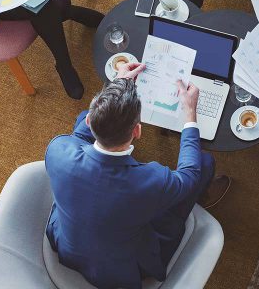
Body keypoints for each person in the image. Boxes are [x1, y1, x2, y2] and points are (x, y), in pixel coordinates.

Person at [45, 62, 232, 289]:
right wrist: (190, 114)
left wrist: (117, 87)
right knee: (203, 163)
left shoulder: (57, 149)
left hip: (68, 247)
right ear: (137, 131)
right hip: (122, 272)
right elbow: (189, 175)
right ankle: (201, 199)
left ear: (90, 121)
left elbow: (80, 133)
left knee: (79, 124)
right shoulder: (151, 181)